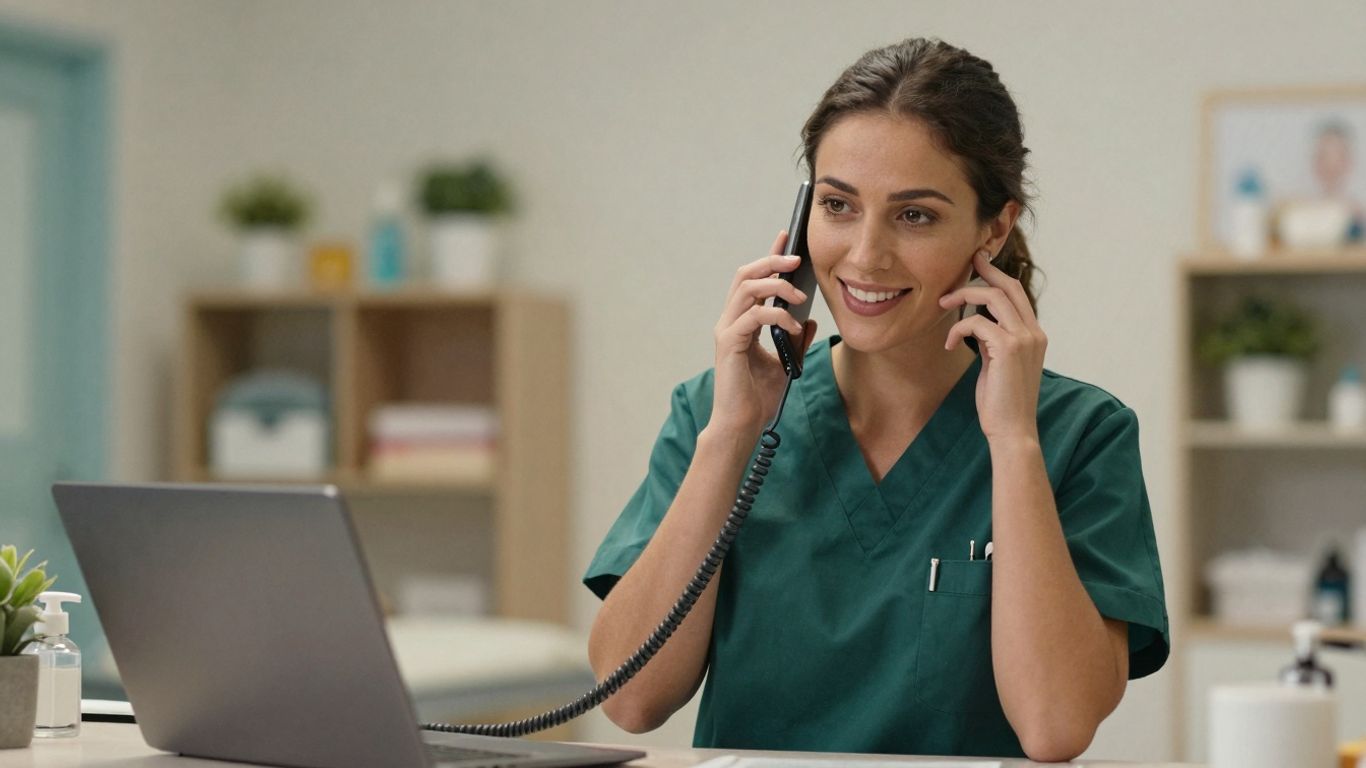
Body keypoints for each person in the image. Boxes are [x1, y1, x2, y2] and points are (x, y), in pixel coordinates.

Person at [583, 37, 1169, 762]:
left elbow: (1056, 728)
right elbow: (631, 699)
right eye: (838, 206)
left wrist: (1014, 442)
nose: (865, 255)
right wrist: (732, 434)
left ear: (995, 225)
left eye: (914, 215)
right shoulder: (717, 412)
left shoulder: (1078, 435)